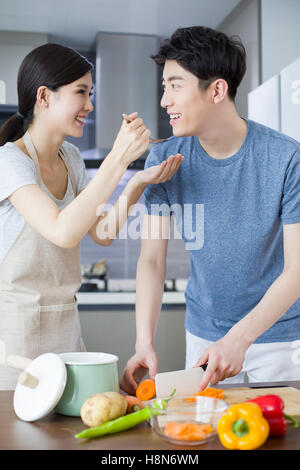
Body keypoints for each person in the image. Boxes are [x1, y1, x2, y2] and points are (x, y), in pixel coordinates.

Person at [120, 26, 300, 394]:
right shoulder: (165, 158)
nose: (164, 100)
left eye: (175, 85)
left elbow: (297, 269)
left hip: (280, 340)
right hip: (203, 338)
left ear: (216, 90)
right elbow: (152, 260)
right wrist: (143, 340)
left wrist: (240, 337)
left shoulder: (286, 159)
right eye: (164, 86)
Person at [0, 43, 183, 390]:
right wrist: (118, 157)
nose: (90, 105)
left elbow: (102, 232)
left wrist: (138, 181)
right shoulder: (9, 162)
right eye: (81, 93)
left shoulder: (70, 157)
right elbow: (62, 231)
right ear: (44, 97)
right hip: (15, 336)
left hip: (66, 328)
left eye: (91, 93)